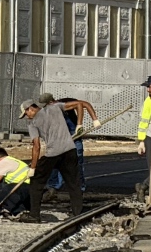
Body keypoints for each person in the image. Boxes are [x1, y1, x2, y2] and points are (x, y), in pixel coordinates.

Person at [19, 94, 96, 223]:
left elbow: (36, 146)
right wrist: (80, 124)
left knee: (36, 183)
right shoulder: (55, 108)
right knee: (73, 184)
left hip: (52, 154)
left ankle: (34, 215)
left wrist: (33, 167)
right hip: (69, 150)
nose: (27, 117)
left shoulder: (32, 123)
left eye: (26, 114)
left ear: (30, 108)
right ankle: (77, 213)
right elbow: (79, 103)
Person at [46, 97, 86, 194]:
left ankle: (79, 188)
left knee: (76, 162)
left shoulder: (65, 104)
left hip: (74, 135)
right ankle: (53, 187)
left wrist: (80, 125)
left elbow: (82, 104)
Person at [0, 147, 33, 216]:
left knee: (0, 193)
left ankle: (20, 212)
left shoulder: (3, 163)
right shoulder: (15, 161)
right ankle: (26, 209)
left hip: (23, 188)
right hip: (31, 190)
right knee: (6, 187)